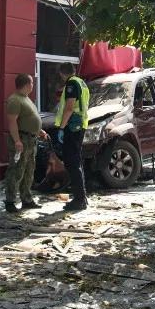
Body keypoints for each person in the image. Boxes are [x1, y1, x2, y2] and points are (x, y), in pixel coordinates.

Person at [3, 73, 47, 213]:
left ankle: (26, 199)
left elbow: (30, 119)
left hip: (32, 139)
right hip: (22, 139)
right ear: (27, 84)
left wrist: (40, 131)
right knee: (17, 170)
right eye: (32, 83)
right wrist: (17, 141)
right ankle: (10, 201)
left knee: (29, 170)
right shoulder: (15, 100)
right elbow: (12, 122)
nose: (33, 85)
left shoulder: (26, 99)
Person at [54, 62, 90, 212]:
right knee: (76, 162)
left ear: (63, 73)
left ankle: (79, 200)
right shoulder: (81, 82)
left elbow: (69, 107)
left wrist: (61, 128)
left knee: (72, 163)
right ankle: (82, 197)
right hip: (79, 125)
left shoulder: (71, 84)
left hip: (72, 126)